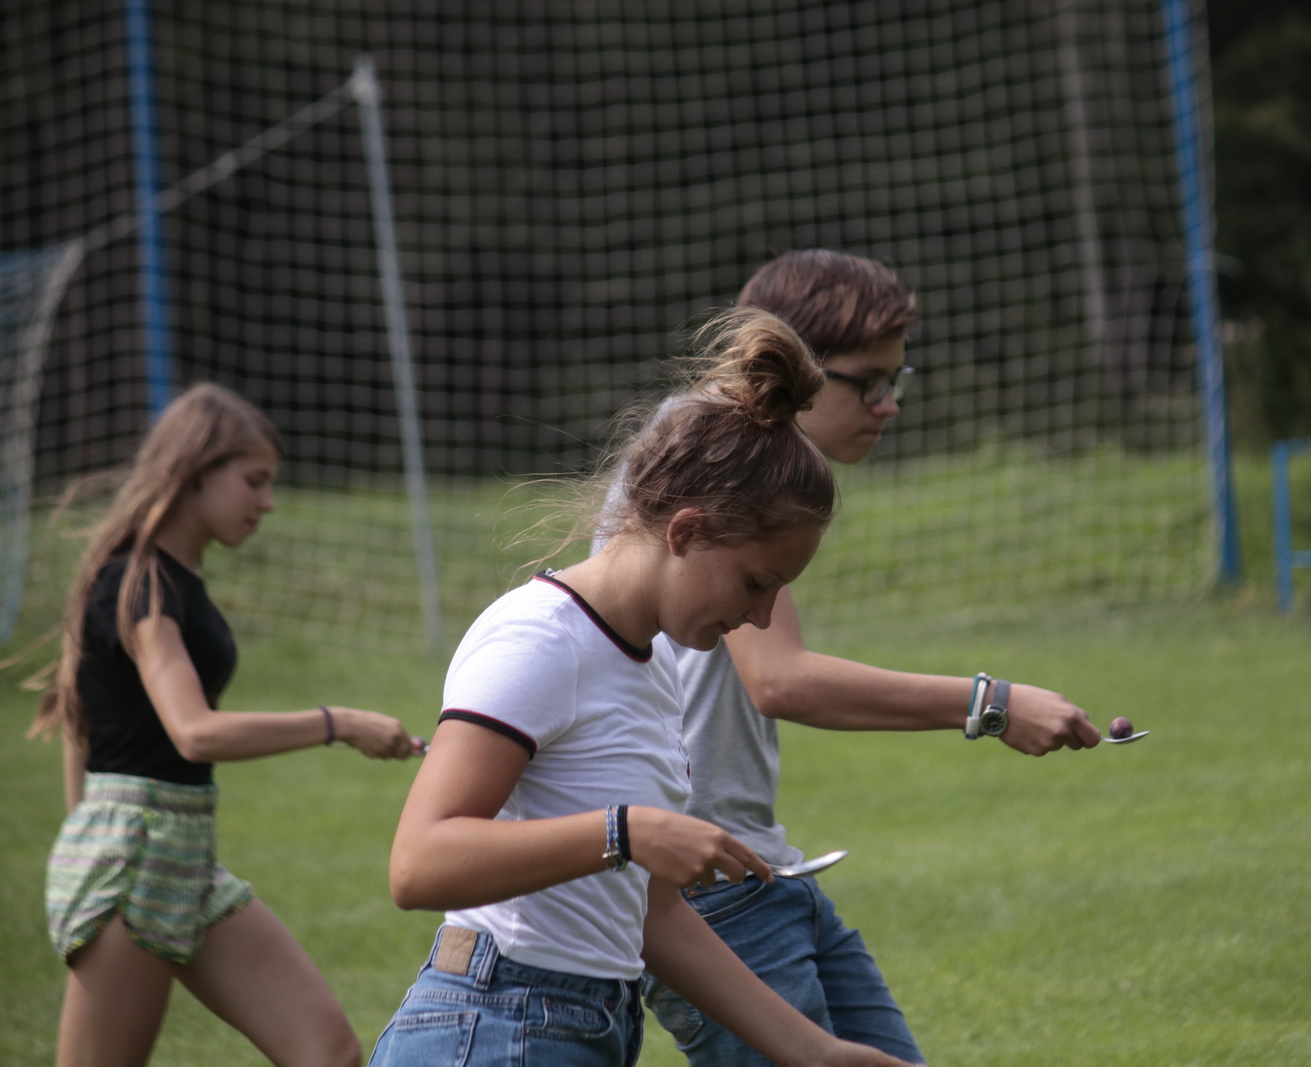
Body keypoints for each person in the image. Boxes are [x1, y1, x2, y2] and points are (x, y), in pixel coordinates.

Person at [369, 307, 914, 1067]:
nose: (762, 617)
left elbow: (655, 917)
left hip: (583, 1024)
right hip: (493, 1024)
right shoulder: (539, 639)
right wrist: (624, 831)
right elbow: (418, 863)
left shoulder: (651, 665)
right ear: (684, 532)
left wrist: (815, 1052)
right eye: (755, 583)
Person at [636, 250, 1104, 1067]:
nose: (889, 405)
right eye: (870, 382)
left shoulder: (739, 452)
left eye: (898, 379)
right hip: (708, 893)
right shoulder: (714, 456)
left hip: (760, 871)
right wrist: (990, 703)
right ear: (796, 367)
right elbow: (779, 678)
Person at [31, 382, 418, 1067]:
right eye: (254, 481)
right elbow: (195, 732)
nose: (267, 502)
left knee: (327, 1050)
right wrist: (339, 723)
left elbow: (76, 718)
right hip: (131, 858)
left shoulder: (173, 579)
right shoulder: (139, 583)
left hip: (184, 852)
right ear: (194, 473)